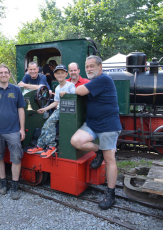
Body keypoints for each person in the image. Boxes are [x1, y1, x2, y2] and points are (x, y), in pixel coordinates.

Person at [70, 55, 122, 210]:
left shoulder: (103, 80)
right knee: (76, 141)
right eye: (87, 67)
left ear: (100, 67)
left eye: (92, 66)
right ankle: (98, 150)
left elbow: (79, 90)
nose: (89, 69)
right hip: (92, 124)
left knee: (110, 159)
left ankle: (111, 193)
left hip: (108, 126)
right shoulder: (94, 82)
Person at [0, 64, 26, 200]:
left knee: (16, 157)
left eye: (5, 72)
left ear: (9, 74)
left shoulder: (16, 90)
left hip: (13, 130)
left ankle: (14, 186)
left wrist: (21, 128)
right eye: (0, 73)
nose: (3, 74)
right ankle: (3, 183)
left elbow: (21, 110)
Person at [27, 64, 75, 158]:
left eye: (62, 73)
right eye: (58, 73)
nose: (60, 75)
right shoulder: (57, 88)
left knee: (49, 124)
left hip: (69, 111)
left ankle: (51, 146)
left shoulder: (70, 86)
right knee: (46, 125)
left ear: (66, 74)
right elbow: (56, 102)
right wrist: (44, 108)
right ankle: (40, 145)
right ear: (55, 75)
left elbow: (75, 98)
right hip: (60, 110)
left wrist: (67, 94)